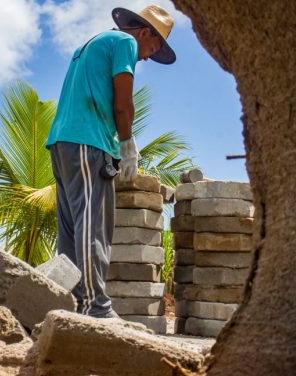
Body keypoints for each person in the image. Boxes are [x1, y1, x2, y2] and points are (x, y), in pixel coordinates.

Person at [45, 5, 176, 318]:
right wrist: (127, 143)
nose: (145, 57)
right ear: (145, 33)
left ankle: (72, 306)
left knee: (71, 233)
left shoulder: (89, 44)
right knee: (93, 229)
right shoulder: (125, 44)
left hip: (61, 144)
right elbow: (123, 103)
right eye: (152, 48)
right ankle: (96, 307)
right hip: (88, 143)